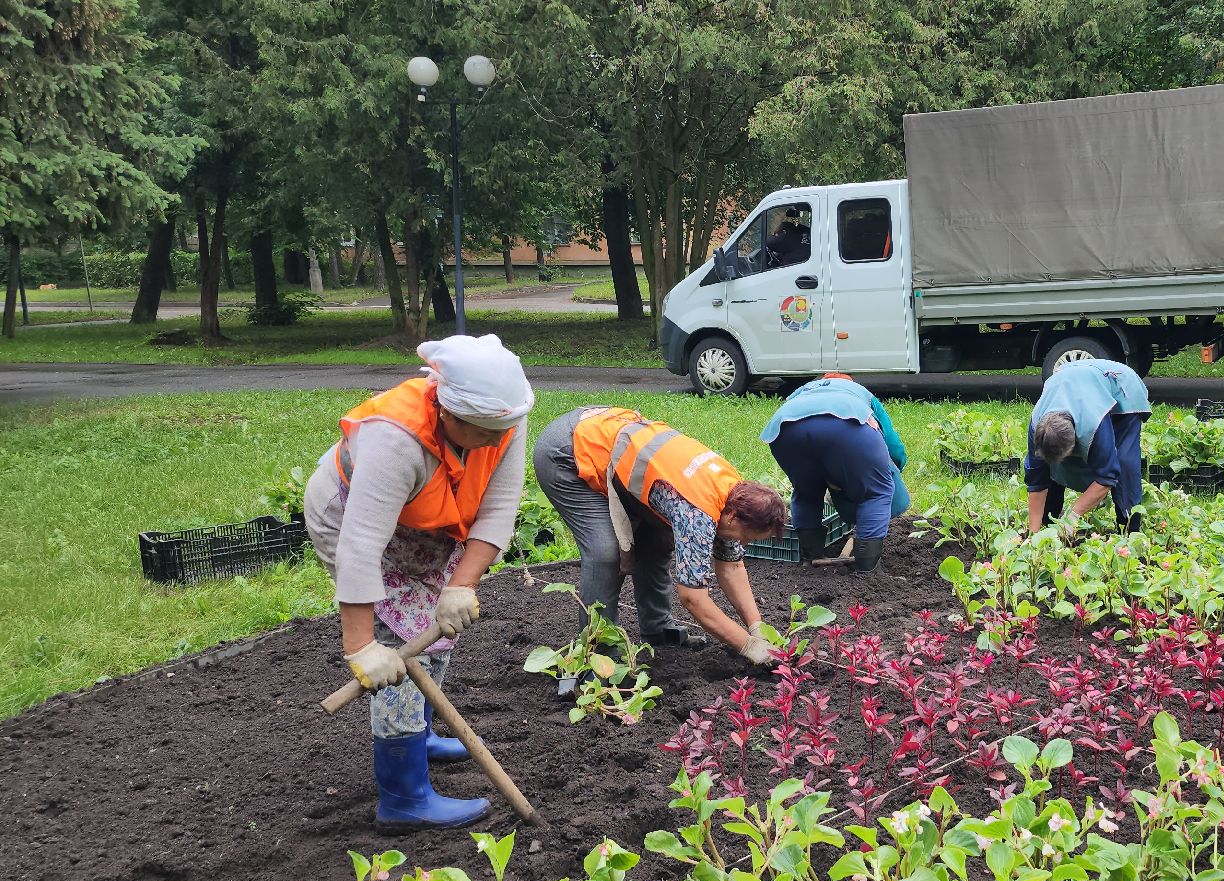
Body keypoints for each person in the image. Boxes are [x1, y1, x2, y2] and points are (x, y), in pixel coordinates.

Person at [303, 335, 533, 831]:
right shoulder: (396, 439)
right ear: (448, 413)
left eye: (502, 430)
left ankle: (420, 736)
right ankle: (404, 797)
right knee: (401, 655)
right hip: (352, 525)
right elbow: (360, 546)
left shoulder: (502, 417)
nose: (496, 441)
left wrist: (462, 585)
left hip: (425, 527)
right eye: (485, 432)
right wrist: (361, 647)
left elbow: (498, 508)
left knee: (437, 631)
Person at [533, 408, 788, 693]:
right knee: (605, 553)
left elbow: (732, 566)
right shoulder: (698, 512)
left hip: (609, 439)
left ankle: (658, 631)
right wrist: (747, 646)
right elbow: (693, 599)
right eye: (747, 537)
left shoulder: (733, 495)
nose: (744, 544)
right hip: (569, 452)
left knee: (657, 540)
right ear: (733, 518)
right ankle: (600, 658)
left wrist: (757, 627)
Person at [761, 373, 909, 572]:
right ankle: (868, 568)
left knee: (806, 492)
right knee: (875, 492)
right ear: (849, 383)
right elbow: (892, 443)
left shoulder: (802, 391)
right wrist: (893, 469)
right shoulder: (860, 392)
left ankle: (810, 557)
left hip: (785, 431)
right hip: (849, 427)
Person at [1025, 358, 1151, 535]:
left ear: (1076, 440)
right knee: (1050, 466)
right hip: (1075, 378)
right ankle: (1047, 524)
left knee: (1124, 462)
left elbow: (1107, 475)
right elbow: (1036, 480)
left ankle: (1129, 528)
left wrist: (1072, 516)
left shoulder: (1093, 422)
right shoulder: (1037, 427)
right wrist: (1033, 536)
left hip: (1121, 390)